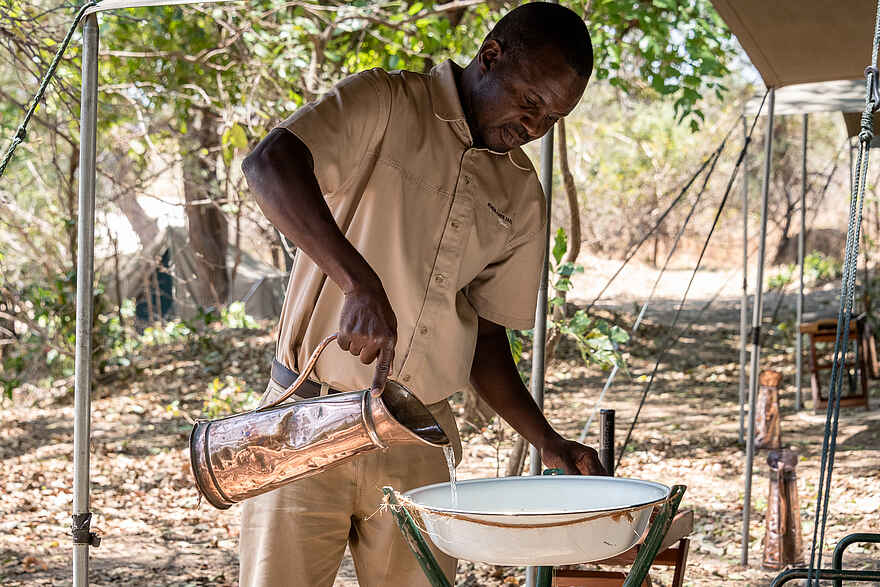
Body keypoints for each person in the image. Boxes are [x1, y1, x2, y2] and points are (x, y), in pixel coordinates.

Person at [239, 3, 602, 585]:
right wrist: (358, 281)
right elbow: (269, 164)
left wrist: (548, 440)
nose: (535, 127)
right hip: (306, 418)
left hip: (416, 436)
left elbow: (485, 334)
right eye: (532, 102)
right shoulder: (385, 102)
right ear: (491, 57)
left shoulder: (520, 196)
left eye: (553, 118)